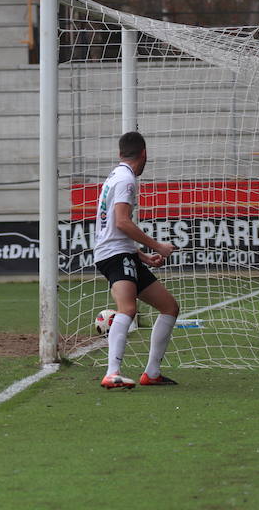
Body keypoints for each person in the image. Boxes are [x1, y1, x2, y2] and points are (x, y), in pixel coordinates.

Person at [93, 132, 179, 389]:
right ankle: (112, 372)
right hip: (114, 255)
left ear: (121, 153)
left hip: (121, 252)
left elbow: (113, 225)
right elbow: (121, 221)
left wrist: (142, 256)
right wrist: (158, 246)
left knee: (169, 307)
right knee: (128, 310)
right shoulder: (126, 180)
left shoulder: (115, 176)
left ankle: (152, 373)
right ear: (144, 153)